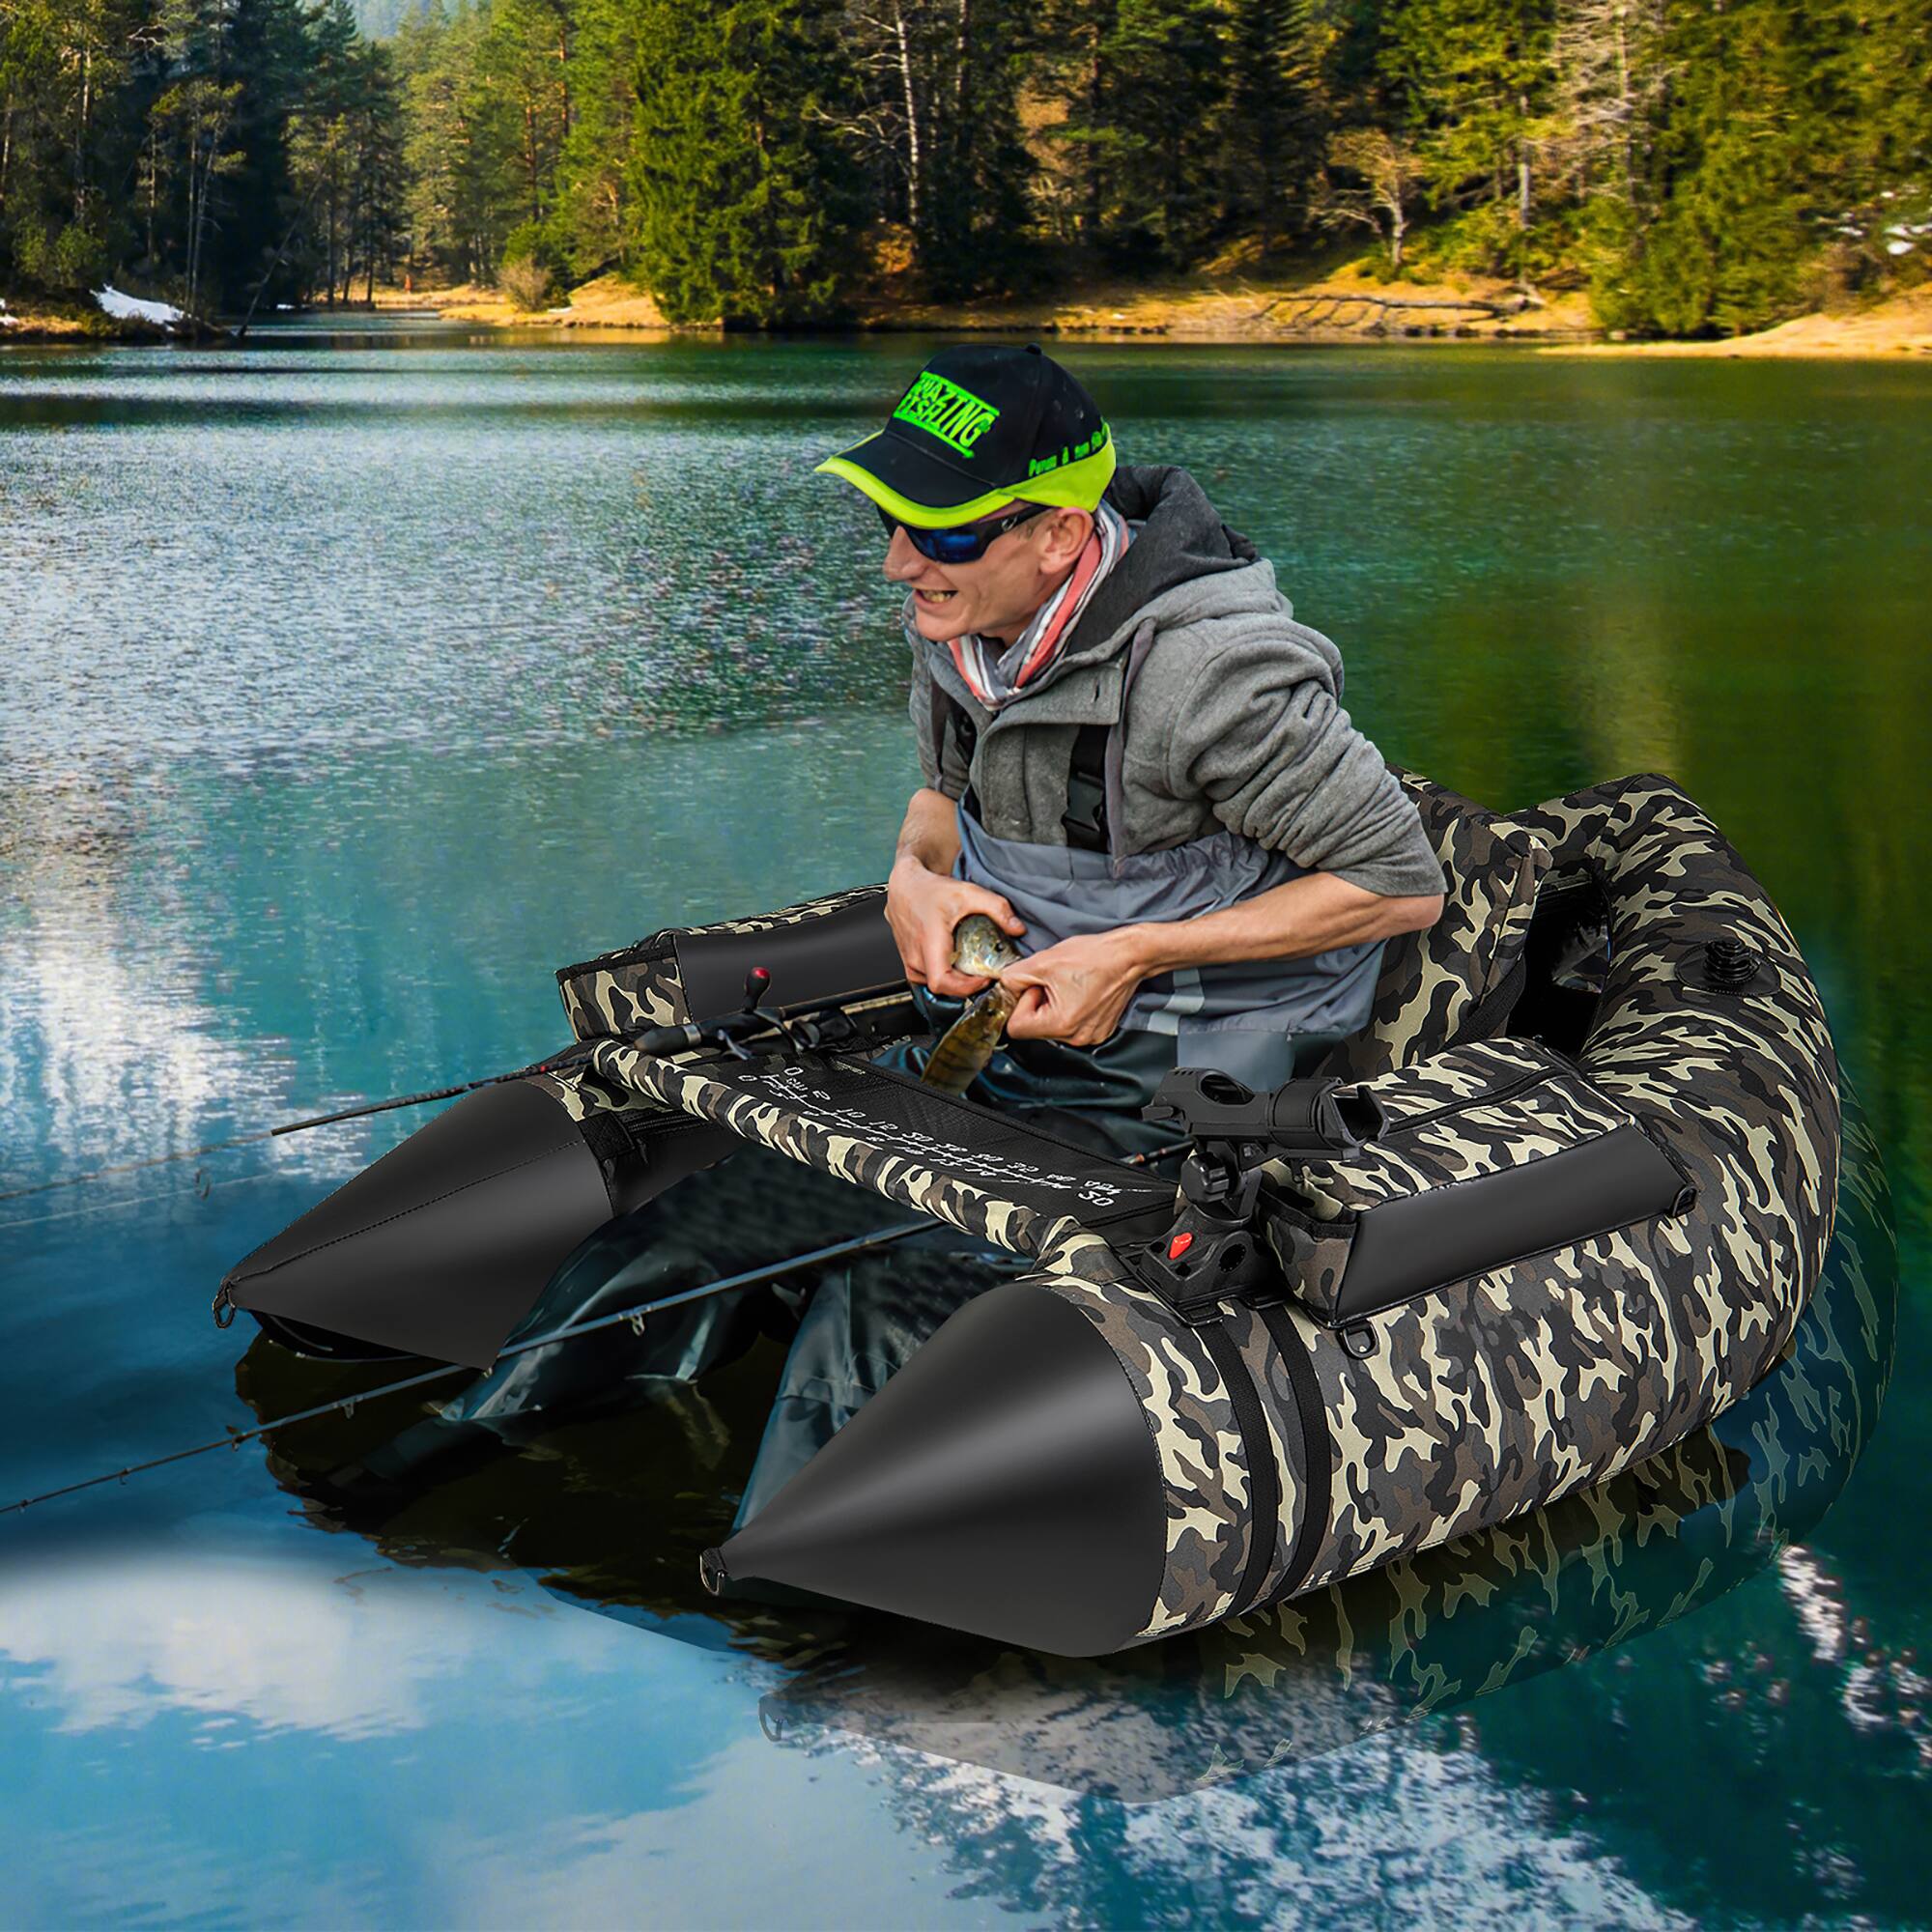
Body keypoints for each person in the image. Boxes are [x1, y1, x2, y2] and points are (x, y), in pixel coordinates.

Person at [732, 346, 1446, 1522]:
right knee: (736, 1203)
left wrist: (1135, 953)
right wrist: (911, 880)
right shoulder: (961, 626)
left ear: (1058, 536)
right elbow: (935, 800)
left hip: (1179, 1080)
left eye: (940, 532)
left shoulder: (1212, 677)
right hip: (1008, 1042)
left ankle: (795, 1592)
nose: (897, 560)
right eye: (888, 516)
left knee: (874, 1315)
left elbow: (1397, 884)